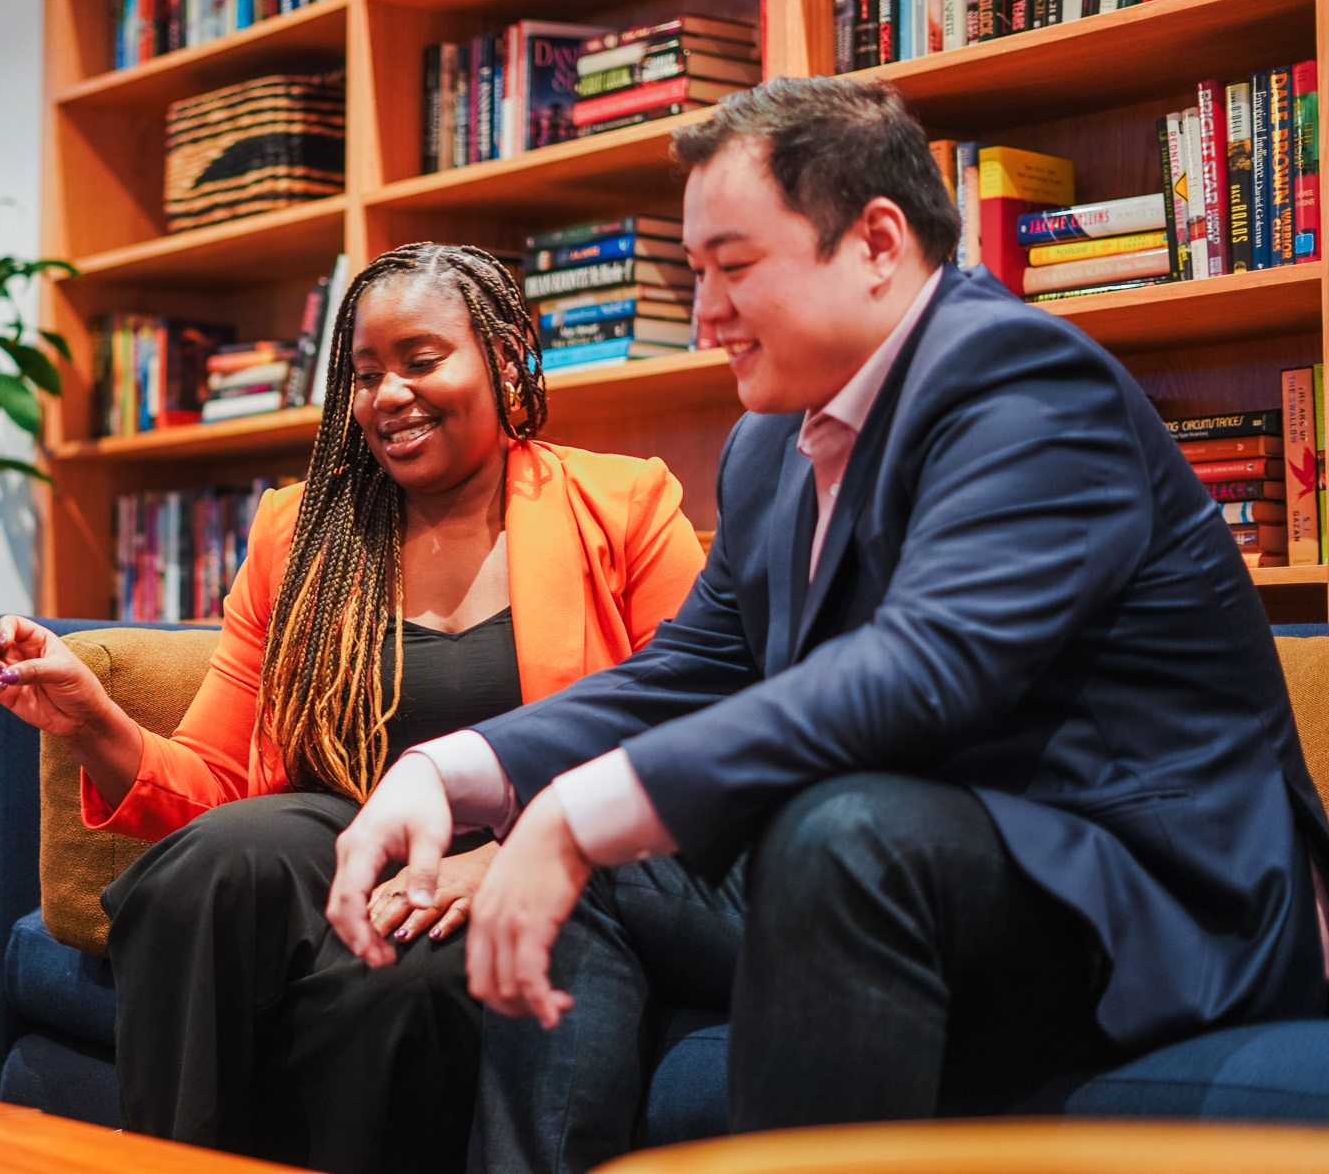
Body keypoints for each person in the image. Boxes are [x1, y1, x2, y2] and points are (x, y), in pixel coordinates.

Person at [326, 78, 1329, 1172]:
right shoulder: (770, 447)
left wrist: (582, 807)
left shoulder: (1024, 385)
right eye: (693, 275)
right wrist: (444, 774)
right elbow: (687, 670)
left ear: (875, 243)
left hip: (1137, 900)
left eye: (732, 267)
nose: (704, 314)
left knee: (833, 830)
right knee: (591, 860)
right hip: (921, 876)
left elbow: (924, 668)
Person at [0, 242, 707, 1174]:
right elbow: (217, 784)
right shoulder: (302, 529)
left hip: (519, 849)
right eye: (364, 374)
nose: (387, 395)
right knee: (206, 870)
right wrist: (89, 720)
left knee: (389, 985)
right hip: (335, 834)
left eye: (422, 360)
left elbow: (691, 733)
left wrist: (513, 853)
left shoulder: (624, 504)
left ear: (509, 352)